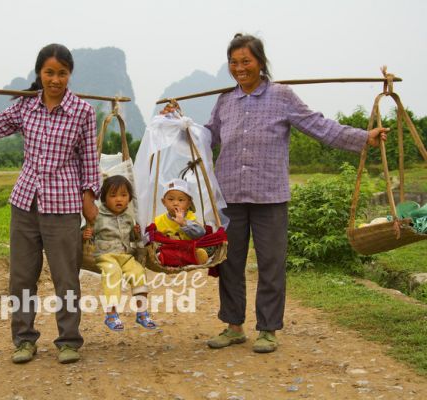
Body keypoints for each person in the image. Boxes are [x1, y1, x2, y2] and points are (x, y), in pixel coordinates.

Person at [164, 34, 389, 354]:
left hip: (270, 196)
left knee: (270, 263)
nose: (239, 68)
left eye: (246, 61)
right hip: (230, 196)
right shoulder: (225, 100)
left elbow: (320, 126)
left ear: (260, 62)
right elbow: (206, 137)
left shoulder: (282, 96)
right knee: (229, 262)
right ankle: (233, 326)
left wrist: (364, 137)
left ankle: (268, 329)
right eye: (233, 62)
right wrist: (178, 121)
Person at [0, 43, 99, 364]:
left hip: (63, 206)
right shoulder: (25, 107)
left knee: (66, 277)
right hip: (25, 203)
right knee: (21, 276)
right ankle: (23, 340)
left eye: (62, 73)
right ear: (39, 73)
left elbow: (90, 163)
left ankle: (69, 340)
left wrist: (89, 204)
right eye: (49, 73)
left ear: (70, 74)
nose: (55, 80)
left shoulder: (83, 112)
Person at [83, 175, 156, 331]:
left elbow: (131, 239)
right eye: (113, 195)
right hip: (105, 256)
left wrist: (135, 234)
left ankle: (142, 312)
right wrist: (85, 235)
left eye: (124, 195)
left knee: (138, 272)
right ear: (104, 198)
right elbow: (88, 234)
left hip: (125, 255)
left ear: (129, 198)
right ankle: (111, 314)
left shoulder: (129, 218)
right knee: (113, 272)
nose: (119, 199)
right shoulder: (98, 216)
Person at [154, 178, 209, 265]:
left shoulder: (190, 217)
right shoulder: (158, 220)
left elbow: (201, 233)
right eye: (171, 199)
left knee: (195, 252)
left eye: (181, 200)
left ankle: (194, 257)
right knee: (161, 252)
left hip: (186, 249)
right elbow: (153, 237)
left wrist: (184, 223)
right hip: (170, 250)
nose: (175, 203)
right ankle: (165, 258)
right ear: (164, 202)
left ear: (188, 204)